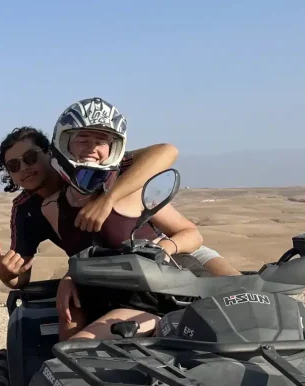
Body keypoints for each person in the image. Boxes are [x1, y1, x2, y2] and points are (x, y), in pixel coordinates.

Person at [38, 97, 206, 340]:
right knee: (68, 354)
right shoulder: (52, 207)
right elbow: (82, 252)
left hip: (151, 298)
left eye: (101, 141)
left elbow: (192, 233)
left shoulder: (130, 191)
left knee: (76, 351)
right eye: (82, 139)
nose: (92, 147)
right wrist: (70, 275)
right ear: (64, 143)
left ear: (113, 148)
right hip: (105, 298)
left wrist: (163, 249)